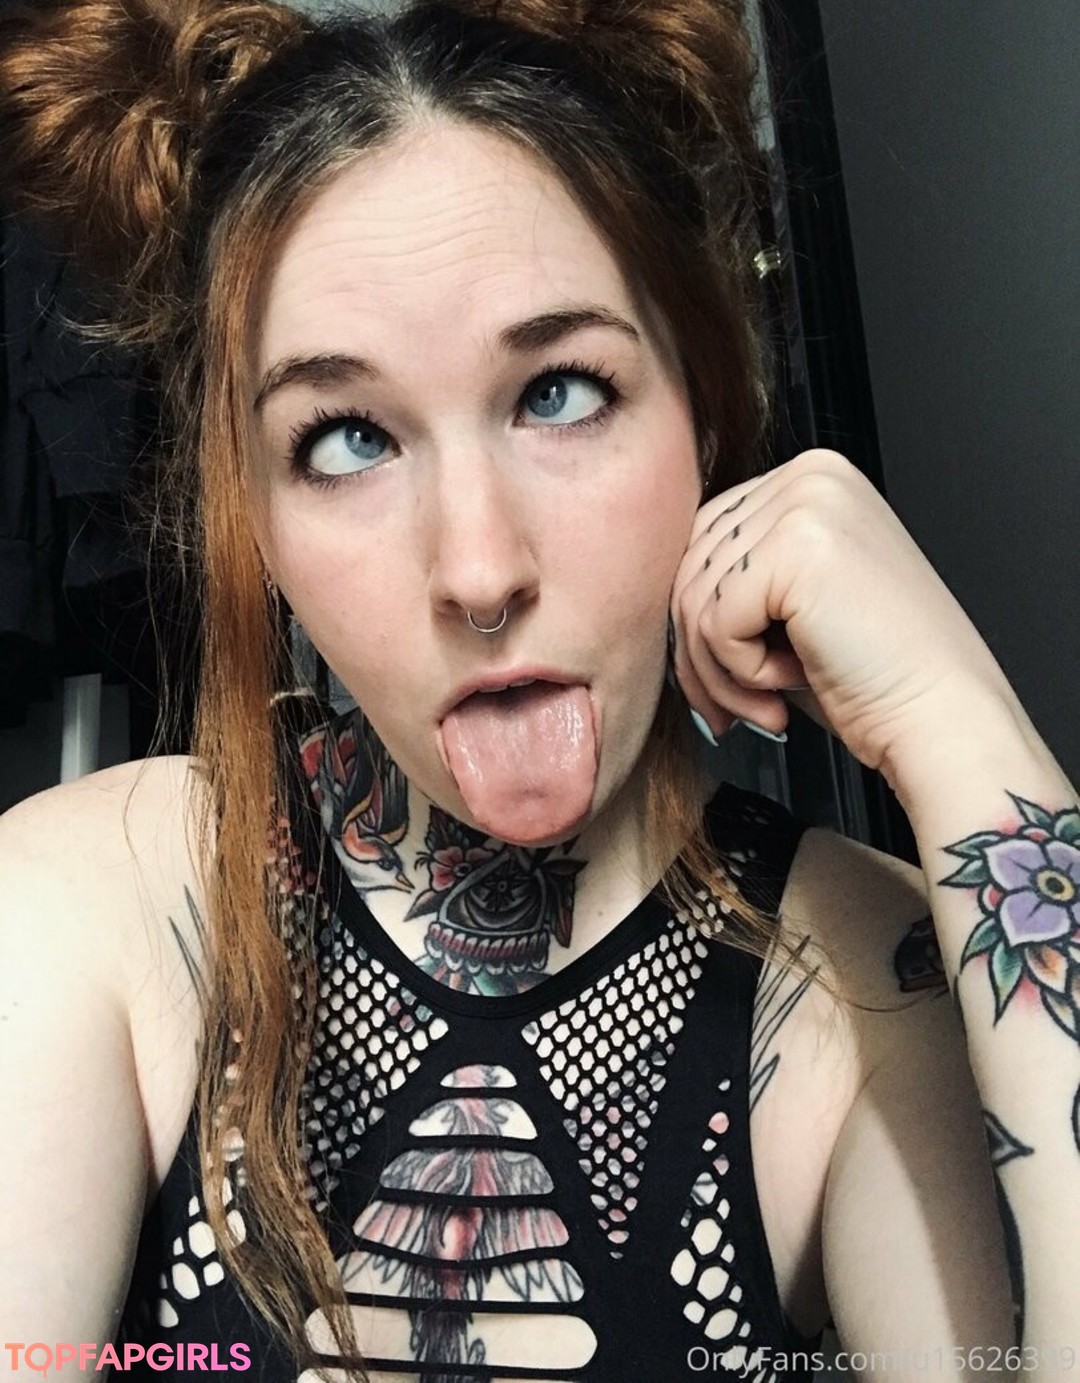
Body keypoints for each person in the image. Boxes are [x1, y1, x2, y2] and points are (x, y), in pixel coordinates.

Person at [0, 1, 1076, 1379]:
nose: (479, 569)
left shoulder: (870, 989)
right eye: (346, 438)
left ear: (707, 409)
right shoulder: (99, 903)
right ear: (254, 520)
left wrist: (960, 725)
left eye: (559, 392)